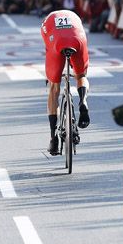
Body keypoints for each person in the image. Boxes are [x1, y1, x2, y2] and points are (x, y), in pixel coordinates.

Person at [41, 9, 90, 156]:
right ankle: (83, 101)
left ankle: (53, 138)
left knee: (54, 87)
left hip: (56, 40)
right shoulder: (75, 17)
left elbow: (49, 49)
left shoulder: (47, 22)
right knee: (81, 75)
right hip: (77, 37)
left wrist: (51, 77)